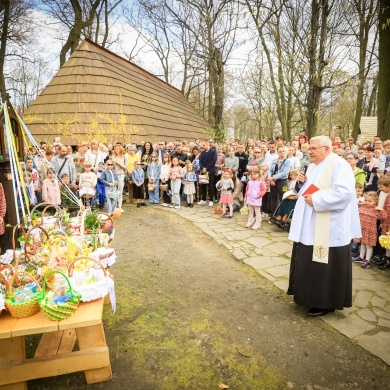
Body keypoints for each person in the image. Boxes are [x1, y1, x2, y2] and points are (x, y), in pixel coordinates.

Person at [287, 136, 361, 317]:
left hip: (329, 227)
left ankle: (324, 302)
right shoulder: (313, 166)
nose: (309, 152)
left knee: (323, 266)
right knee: (308, 260)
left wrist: (318, 199)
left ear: (327, 148)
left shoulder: (339, 164)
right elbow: (308, 189)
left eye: (313, 148)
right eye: (308, 148)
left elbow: (344, 194)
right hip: (310, 225)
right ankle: (306, 296)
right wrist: (301, 183)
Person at [352, 192, 387, 269]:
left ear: (375, 201)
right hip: (362, 229)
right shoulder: (362, 207)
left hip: (370, 231)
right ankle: (361, 257)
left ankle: (367, 261)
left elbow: (384, 218)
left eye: (370, 201)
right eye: (366, 200)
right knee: (362, 243)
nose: (367, 202)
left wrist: (381, 210)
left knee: (369, 245)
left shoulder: (376, 210)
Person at [268, 146, 292, 215]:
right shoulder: (274, 161)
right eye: (280, 151)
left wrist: (273, 177)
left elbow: (284, 173)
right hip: (273, 181)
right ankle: (273, 214)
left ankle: (282, 215)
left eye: (283, 151)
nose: (282, 153)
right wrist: (270, 178)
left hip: (282, 181)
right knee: (273, 198)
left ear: (285, 152)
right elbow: (270, 170)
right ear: (277, 153)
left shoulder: (287, 162)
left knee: (283, 198)